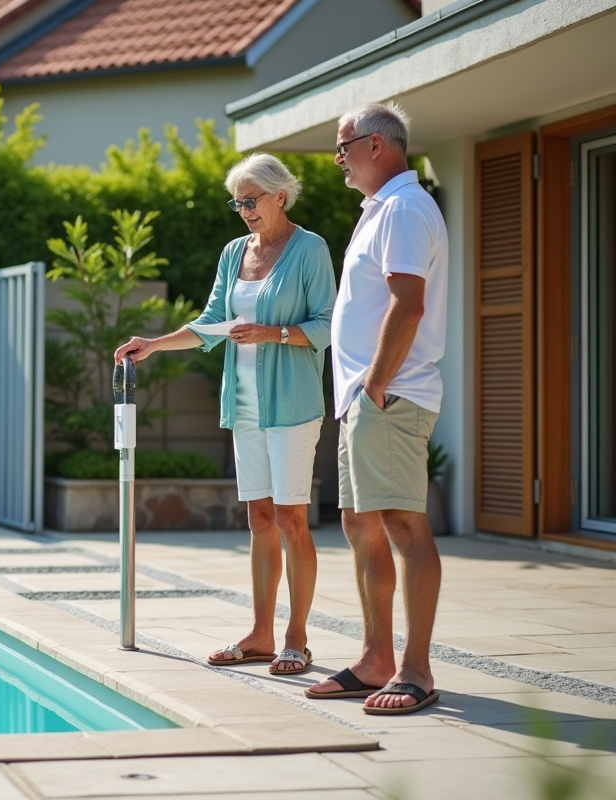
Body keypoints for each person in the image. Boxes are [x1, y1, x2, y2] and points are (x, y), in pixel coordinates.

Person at [114, 153, 336, 676]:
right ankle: (260, 635)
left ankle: (297, 639)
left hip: (292, 405)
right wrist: (155, 343)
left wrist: (272, 333)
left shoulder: (311, 249)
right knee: (259, 519)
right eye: (237, 202)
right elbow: (212, 321)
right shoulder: (235, 252)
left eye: (251, 200)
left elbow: (329, 324)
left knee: (291, 519)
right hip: (245, 404)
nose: (243, 210)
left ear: (280, 195)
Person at [304, 102, 449, 715]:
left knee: (403, 526)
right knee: (361, 524)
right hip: (367, 395)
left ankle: (415, 670)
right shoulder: (381, 211)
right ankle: (375, 658)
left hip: (388, 393)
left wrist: (375, 384)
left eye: (344, 145)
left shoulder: (407, 209)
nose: (337, 156)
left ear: (377, 145)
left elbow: (408, 305)